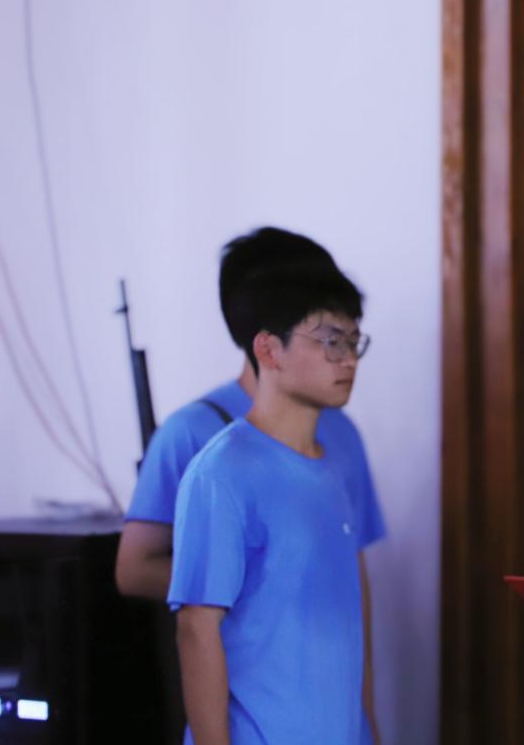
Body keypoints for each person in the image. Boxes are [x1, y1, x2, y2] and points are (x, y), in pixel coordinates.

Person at [114, 228, 384, 741]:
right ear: (268, 346)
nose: (348, 358)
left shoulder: (332, 453)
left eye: (353, 341)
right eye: (331, 340)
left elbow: (349, 594)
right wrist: (239, 577)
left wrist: (366, 721)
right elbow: (194, 625)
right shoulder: (216, 463)